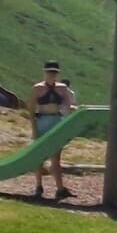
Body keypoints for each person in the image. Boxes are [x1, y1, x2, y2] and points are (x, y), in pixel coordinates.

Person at [30, 60, 76, 200]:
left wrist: (73, 113)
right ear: (44, 72)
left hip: (56, 120)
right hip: (42, 121)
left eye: (54, 72)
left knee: (56, 157)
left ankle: (60, 188)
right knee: (38, 155)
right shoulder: (38, 88)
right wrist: (34, 129)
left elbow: (69, 105)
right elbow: (31, 109)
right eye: (49, 72)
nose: (51, 74)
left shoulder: (62, 88)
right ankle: (38, 186)